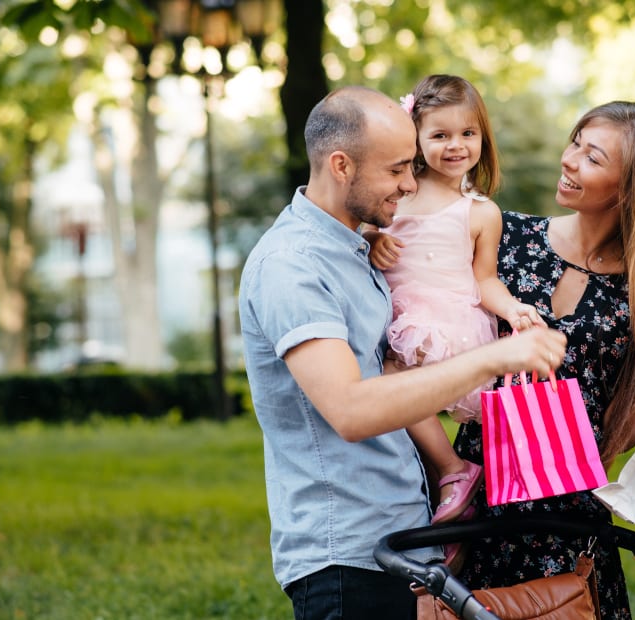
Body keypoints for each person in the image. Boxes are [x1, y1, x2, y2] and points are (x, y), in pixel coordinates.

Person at [237, 85, 567, 620]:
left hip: (399, 543)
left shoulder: (356, 245)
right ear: (341, 165)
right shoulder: (293, 266)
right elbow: (351, 409)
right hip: (347, 560)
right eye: (396, 170)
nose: (410, 184)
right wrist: (493, 359)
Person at [449, 101, 635, 620]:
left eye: (592, 157)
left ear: (631, 188)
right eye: (575, 142)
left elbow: (610, 437)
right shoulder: (504, 235)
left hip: (568, 524)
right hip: (472, 497)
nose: (568, 160)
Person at [365, 75, 545, 530]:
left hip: (446, 321)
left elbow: (483, 279)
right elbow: (356, 228)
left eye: (468, 134)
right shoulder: (397, 196)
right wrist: (371, 239)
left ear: (483, 136)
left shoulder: (481, 211)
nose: (455, 146)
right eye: (439, 135)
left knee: (393, 375)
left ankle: (452, 470)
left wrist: (511, 309)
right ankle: (440, 482)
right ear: (416, 138)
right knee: (395, 388)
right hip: (398, 314)